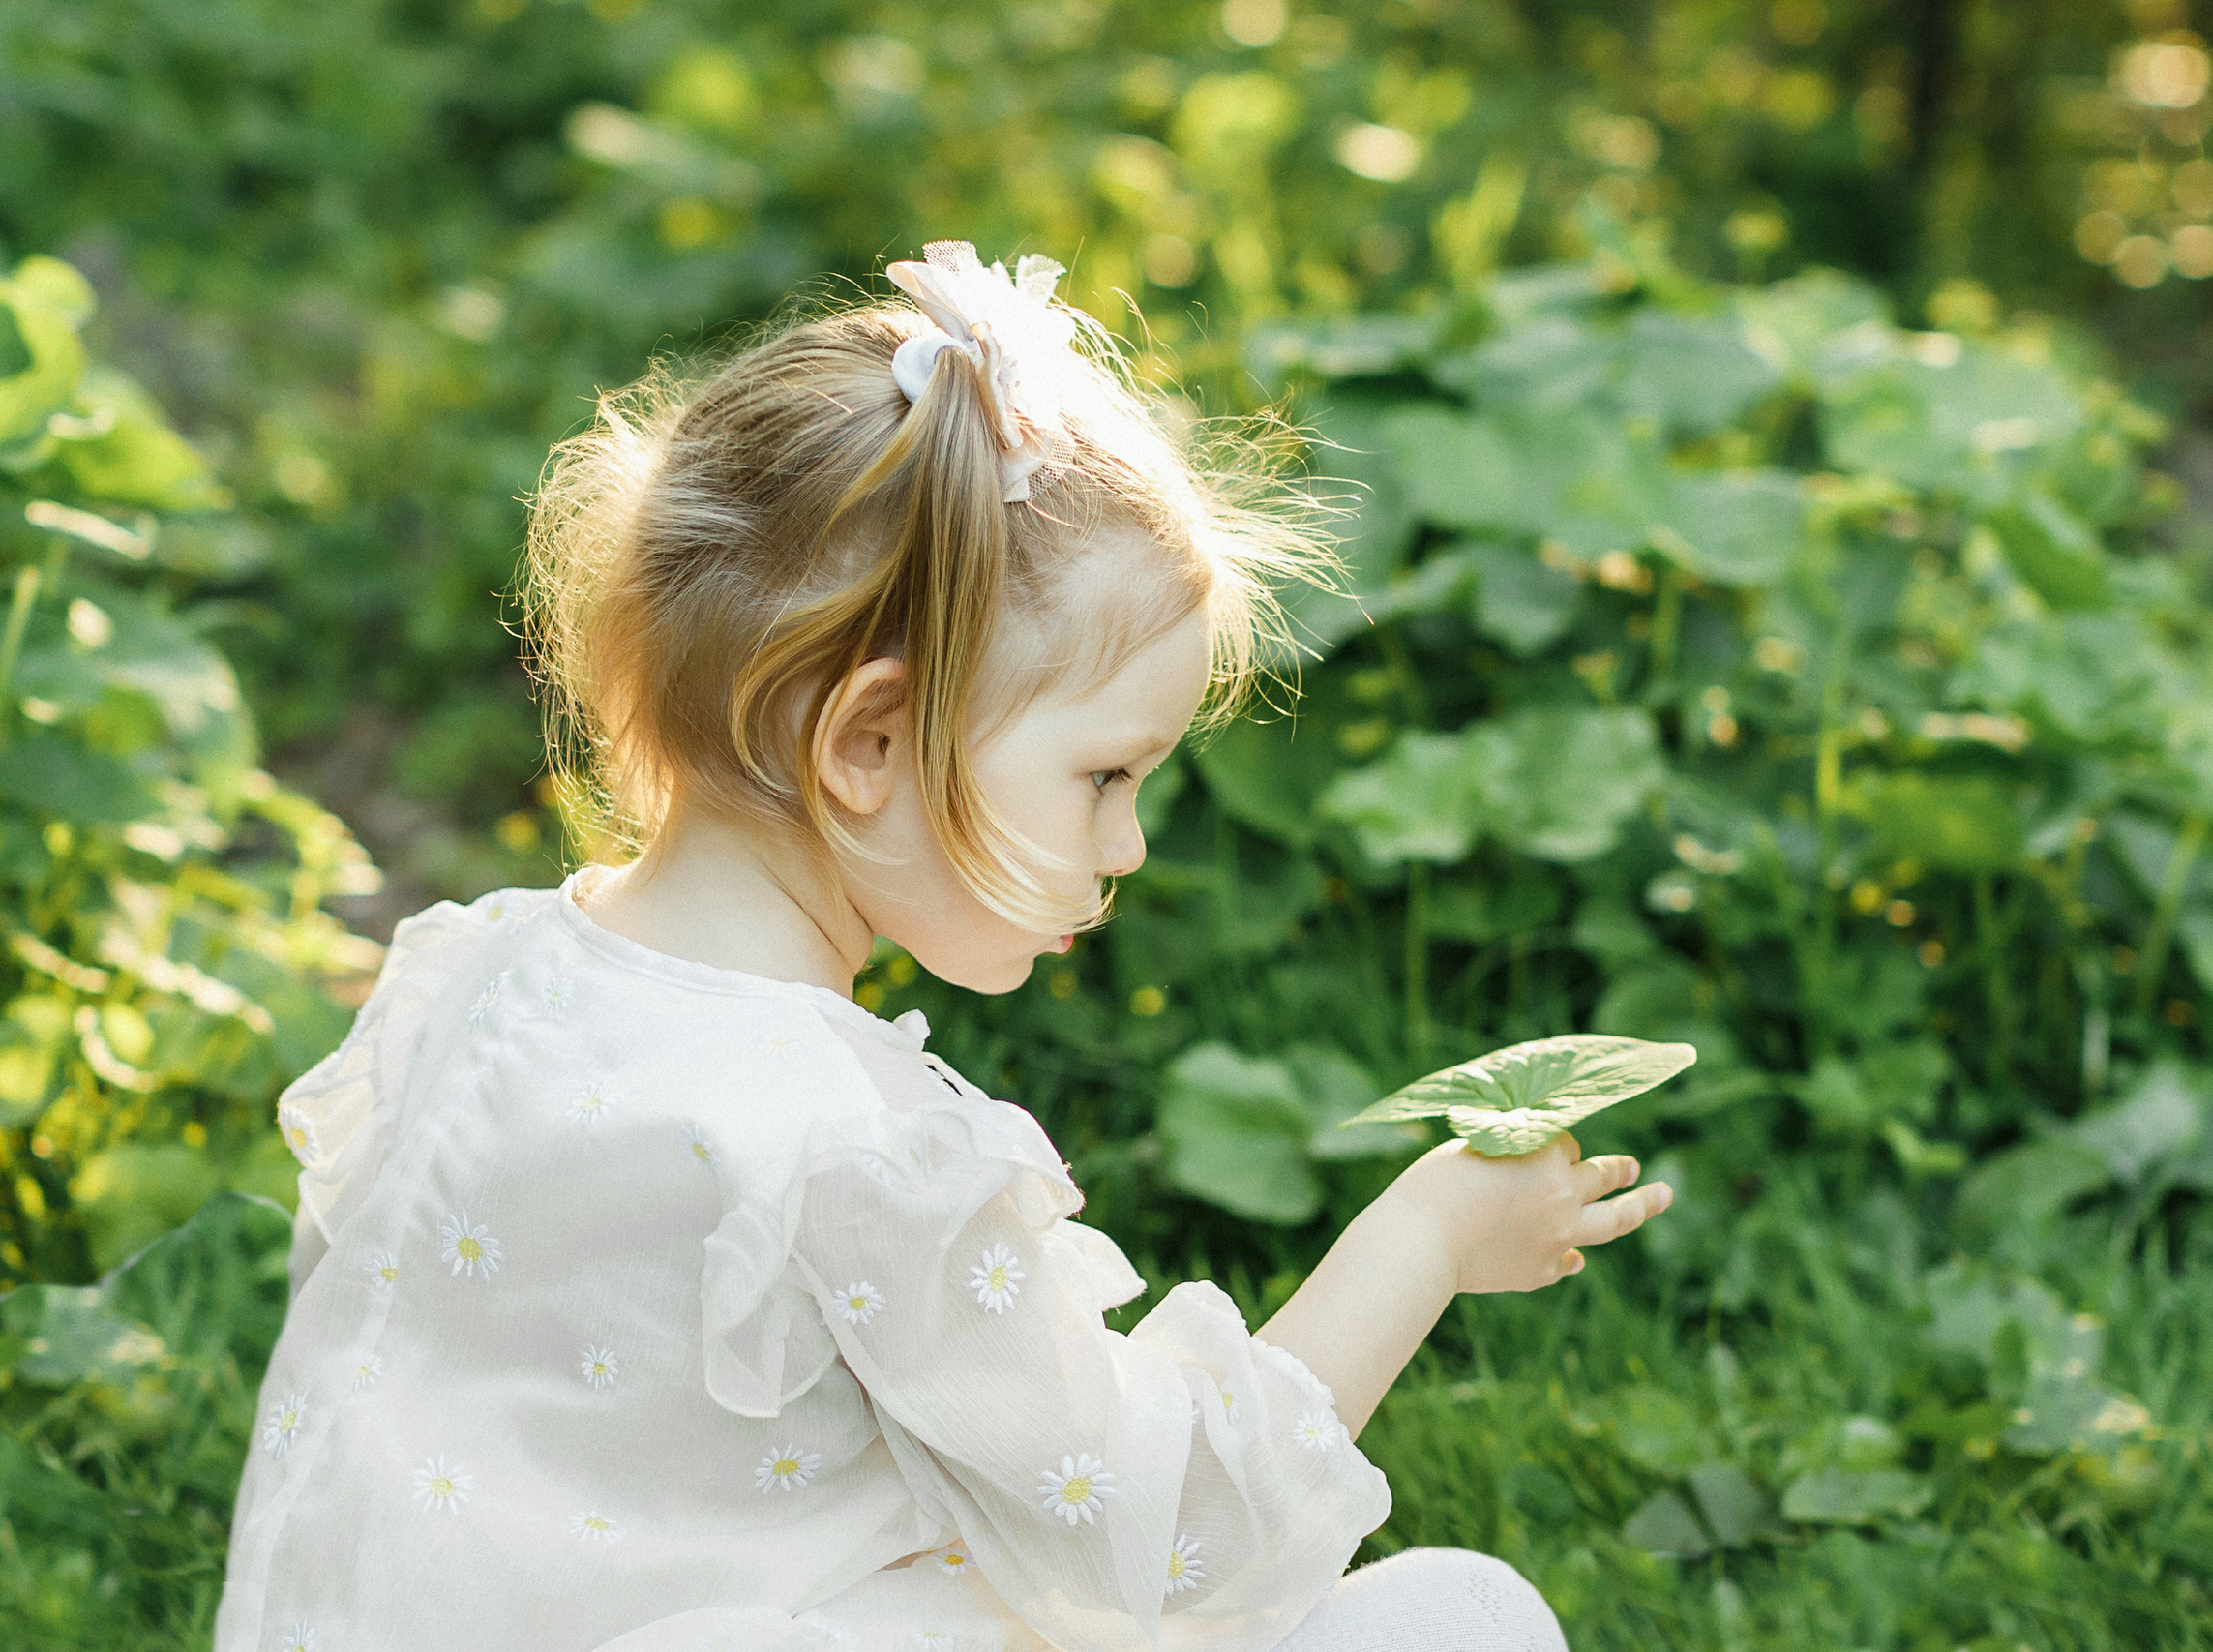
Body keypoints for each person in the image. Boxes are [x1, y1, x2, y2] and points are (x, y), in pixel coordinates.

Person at [215, 242, 1671, 1652]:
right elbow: (1163, 1549)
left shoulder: (469, 986)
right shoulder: (851, 1153)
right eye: (1106, 777)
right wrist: (1423, 1240)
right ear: (871, 741)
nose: (1129, 846)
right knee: (1470, 1619)